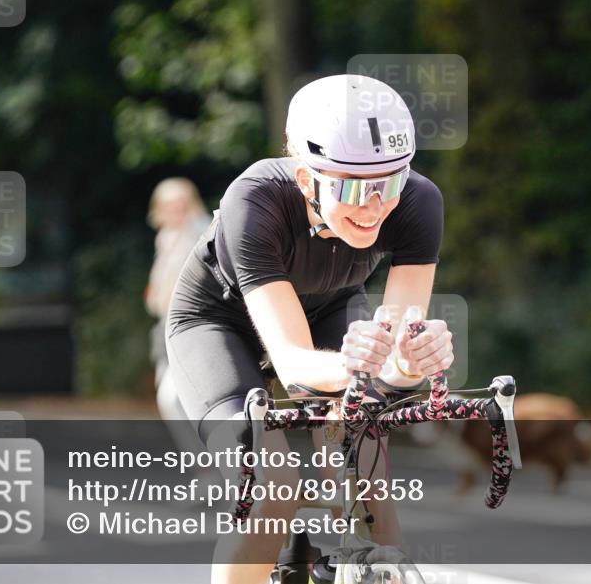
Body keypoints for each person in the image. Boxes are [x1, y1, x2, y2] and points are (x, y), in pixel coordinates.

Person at [166, 74, 455, 583]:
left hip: (329, 310)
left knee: (367, 485)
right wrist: (356, 365)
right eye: (353, 187)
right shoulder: (254, 200)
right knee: (272, 490)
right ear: (305, 179)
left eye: (389, 183)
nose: (373, 207)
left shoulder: (418, 202)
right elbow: (294, 363)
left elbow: (394, 355)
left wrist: (412, 362)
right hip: (218, 323)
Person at [145, 177, 212, 455]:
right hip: (167, 326)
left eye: (182, 204)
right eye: (170, 205)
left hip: (196, 325)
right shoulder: (166, 237)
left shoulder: (201, 231)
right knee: (172, 400)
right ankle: (210, 466)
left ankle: (215, 465)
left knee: (174, 397)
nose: (177, 210)